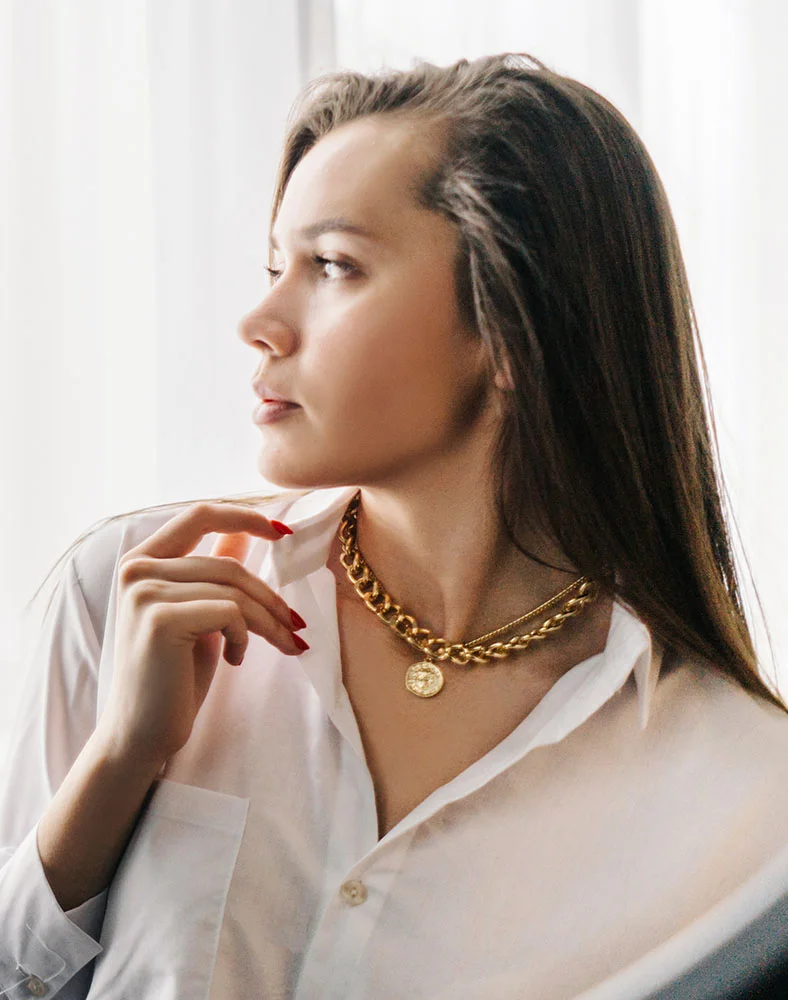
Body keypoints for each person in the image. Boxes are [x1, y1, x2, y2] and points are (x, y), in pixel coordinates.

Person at [1, 50, 787, 1000]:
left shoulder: (744, 794)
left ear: (511, 326)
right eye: (274, 265)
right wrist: (119, 764)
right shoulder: (134, 593)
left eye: (332, 266)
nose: (260, 319)